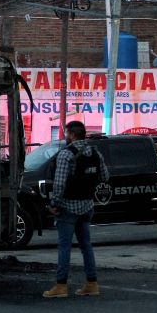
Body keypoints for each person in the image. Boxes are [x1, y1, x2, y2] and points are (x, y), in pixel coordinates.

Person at [43, 121, 109, 298]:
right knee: (86, 246)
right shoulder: (96, 153)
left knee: (64, 246)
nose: (65, 136)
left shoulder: (66, 155)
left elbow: (59, 183)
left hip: (68, 206)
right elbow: (105, 176)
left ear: (71, 134)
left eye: (66, 133)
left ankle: (61, 285)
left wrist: (54, 204)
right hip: (87, 205)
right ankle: (91, 283)